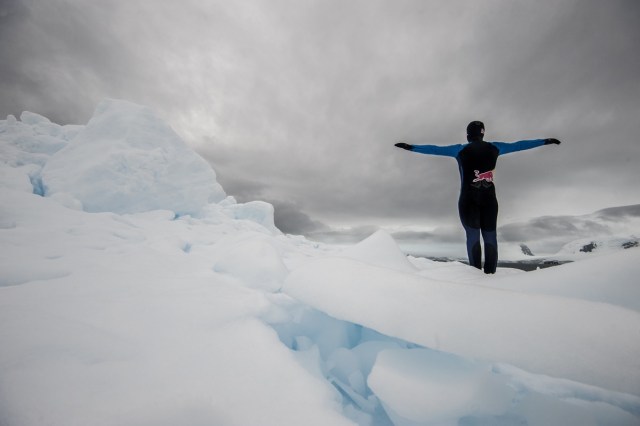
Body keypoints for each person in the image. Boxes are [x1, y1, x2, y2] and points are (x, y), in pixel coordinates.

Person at [395, 121, 560, 274]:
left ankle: (475, 277)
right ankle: (491, 275)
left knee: (473, 236)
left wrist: (411, 147)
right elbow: (520, 145)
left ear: (468, 135)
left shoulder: (459, 149)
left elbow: (434, 149)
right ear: (483, 134)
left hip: (468, 201)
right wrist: (544, 141)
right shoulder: (495, 147)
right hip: (489, 201)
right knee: (490, 236)